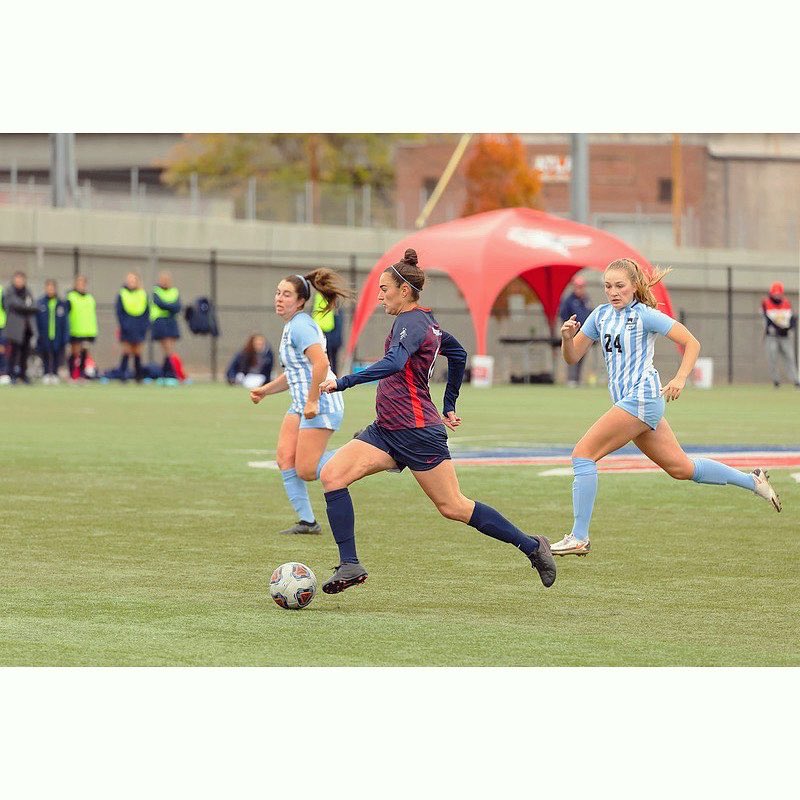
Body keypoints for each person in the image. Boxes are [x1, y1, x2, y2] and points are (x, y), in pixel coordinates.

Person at [317, 248, 556, 594]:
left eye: (384, 289)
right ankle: (350, 564)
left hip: (417, 433)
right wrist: (449, 404)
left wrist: (344, 381)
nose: (380, 296)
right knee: (332, 475)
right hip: (387, 429)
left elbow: (396, 362)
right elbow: (458, 354)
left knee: (453, 506)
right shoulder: (426, 322)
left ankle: (533, 547)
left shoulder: (412, 322)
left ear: (404, 290)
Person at [552, 257, 782, 557]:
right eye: (608, 286)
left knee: (583, 454)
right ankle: (753, 482)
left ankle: (578, 537)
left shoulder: (645, 315)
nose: (613, 291)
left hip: (642, 399)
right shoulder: (600, 316)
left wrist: (680, 378)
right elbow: (572, 358)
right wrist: (567, 339)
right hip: (631, 404)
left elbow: (692, 342)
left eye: (620, 286)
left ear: (635, 287)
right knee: (682, 468)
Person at [250, 269, 351, 535]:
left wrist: (313, 401)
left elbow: (322, 363)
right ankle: (308, 522)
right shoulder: (291, 326)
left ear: (300, 301)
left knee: (306, 470)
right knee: (285, 458)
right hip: (301, 403)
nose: (279, 298)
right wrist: (266, 391)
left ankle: (363, 449)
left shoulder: (301, 325)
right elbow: (294, 372)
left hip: (321, 402)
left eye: (286, 294)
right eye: (277, 293)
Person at [761, 281, 799, 389]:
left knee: (790, 357)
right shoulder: (766, 303)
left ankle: (796, 380)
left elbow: (791, 318)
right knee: (772, 357)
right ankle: (776, 381)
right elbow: (766, 319)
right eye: (775, 293)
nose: (777, 295)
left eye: (779, 293)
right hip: (772, 336)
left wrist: (790, 328)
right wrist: (773, 328)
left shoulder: (786, 303)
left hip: (785, 335)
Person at [150, 271, 187, 381]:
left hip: (171, 322)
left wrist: (169, 307)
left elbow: (178, 306)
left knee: (169, 350)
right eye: (163, 279)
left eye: (167, 279)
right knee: (168, 349)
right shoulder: (156, 291)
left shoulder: (174, 291)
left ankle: (165, 374)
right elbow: (160, 304)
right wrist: (170, 307)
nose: (165, 282)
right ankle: (170, 373)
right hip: (160, 322)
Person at [559, 275, 593, 387]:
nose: (580, 289)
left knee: (582, 356)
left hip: (585, 333)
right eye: (578, 287)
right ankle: (571, 379)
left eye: (582, 287)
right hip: (573, 333)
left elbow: (589, 313)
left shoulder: (586, 299)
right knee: (572, 354)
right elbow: (563, 315)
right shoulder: (569, 300)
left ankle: (577, 379)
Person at [3, 271, 37, 384]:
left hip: (27, 328)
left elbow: (34, 305)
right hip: (14, 329)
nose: (19, 281)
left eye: (21, 279)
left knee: (25, 353)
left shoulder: (28, 292)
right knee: (13, 353)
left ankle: (23, 375)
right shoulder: (9, 292)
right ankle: (11, 374)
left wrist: (27, 308)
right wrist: (27, 308)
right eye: (17, 279)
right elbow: (15, 305)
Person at [115, 272, 150, 382]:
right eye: (129, 280)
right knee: (126, 351)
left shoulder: (143, 294)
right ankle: (122, 374)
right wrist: (124, 325)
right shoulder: (122, 294)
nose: (131, 283)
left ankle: (138, 376)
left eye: (133, 280)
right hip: (127, 327)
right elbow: (119, 312)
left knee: (138, 352)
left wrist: (144, 326)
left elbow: (147, 312)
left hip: (139, 327)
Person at [35, 279, 69, 384]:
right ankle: (46, 373)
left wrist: (65, 335)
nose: (50, 290)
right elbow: (36, 320)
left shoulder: (61, 303)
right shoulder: (40, 303)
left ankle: (54, 373)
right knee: (45, 353)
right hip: (44, 334)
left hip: (57, 334)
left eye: (52, 288)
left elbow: (65, 321)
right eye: (48, 287)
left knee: (56, 354)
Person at [66, 275, 98, 380]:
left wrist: (93, 331)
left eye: (83, 283)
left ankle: (81, 374)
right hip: (75, 330)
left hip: (87, 331)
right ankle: (72, 374)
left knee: (84, 353)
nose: (81, 285)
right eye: (79, 283)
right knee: (75, 353)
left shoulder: (90, 298)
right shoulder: (71, 297)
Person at [312, 289, 344, 375]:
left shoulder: (330, 299)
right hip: (323, 335)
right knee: (326, 361)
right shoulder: (319, 298)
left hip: (329, 335)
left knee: (331, 361)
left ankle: (333, 381)